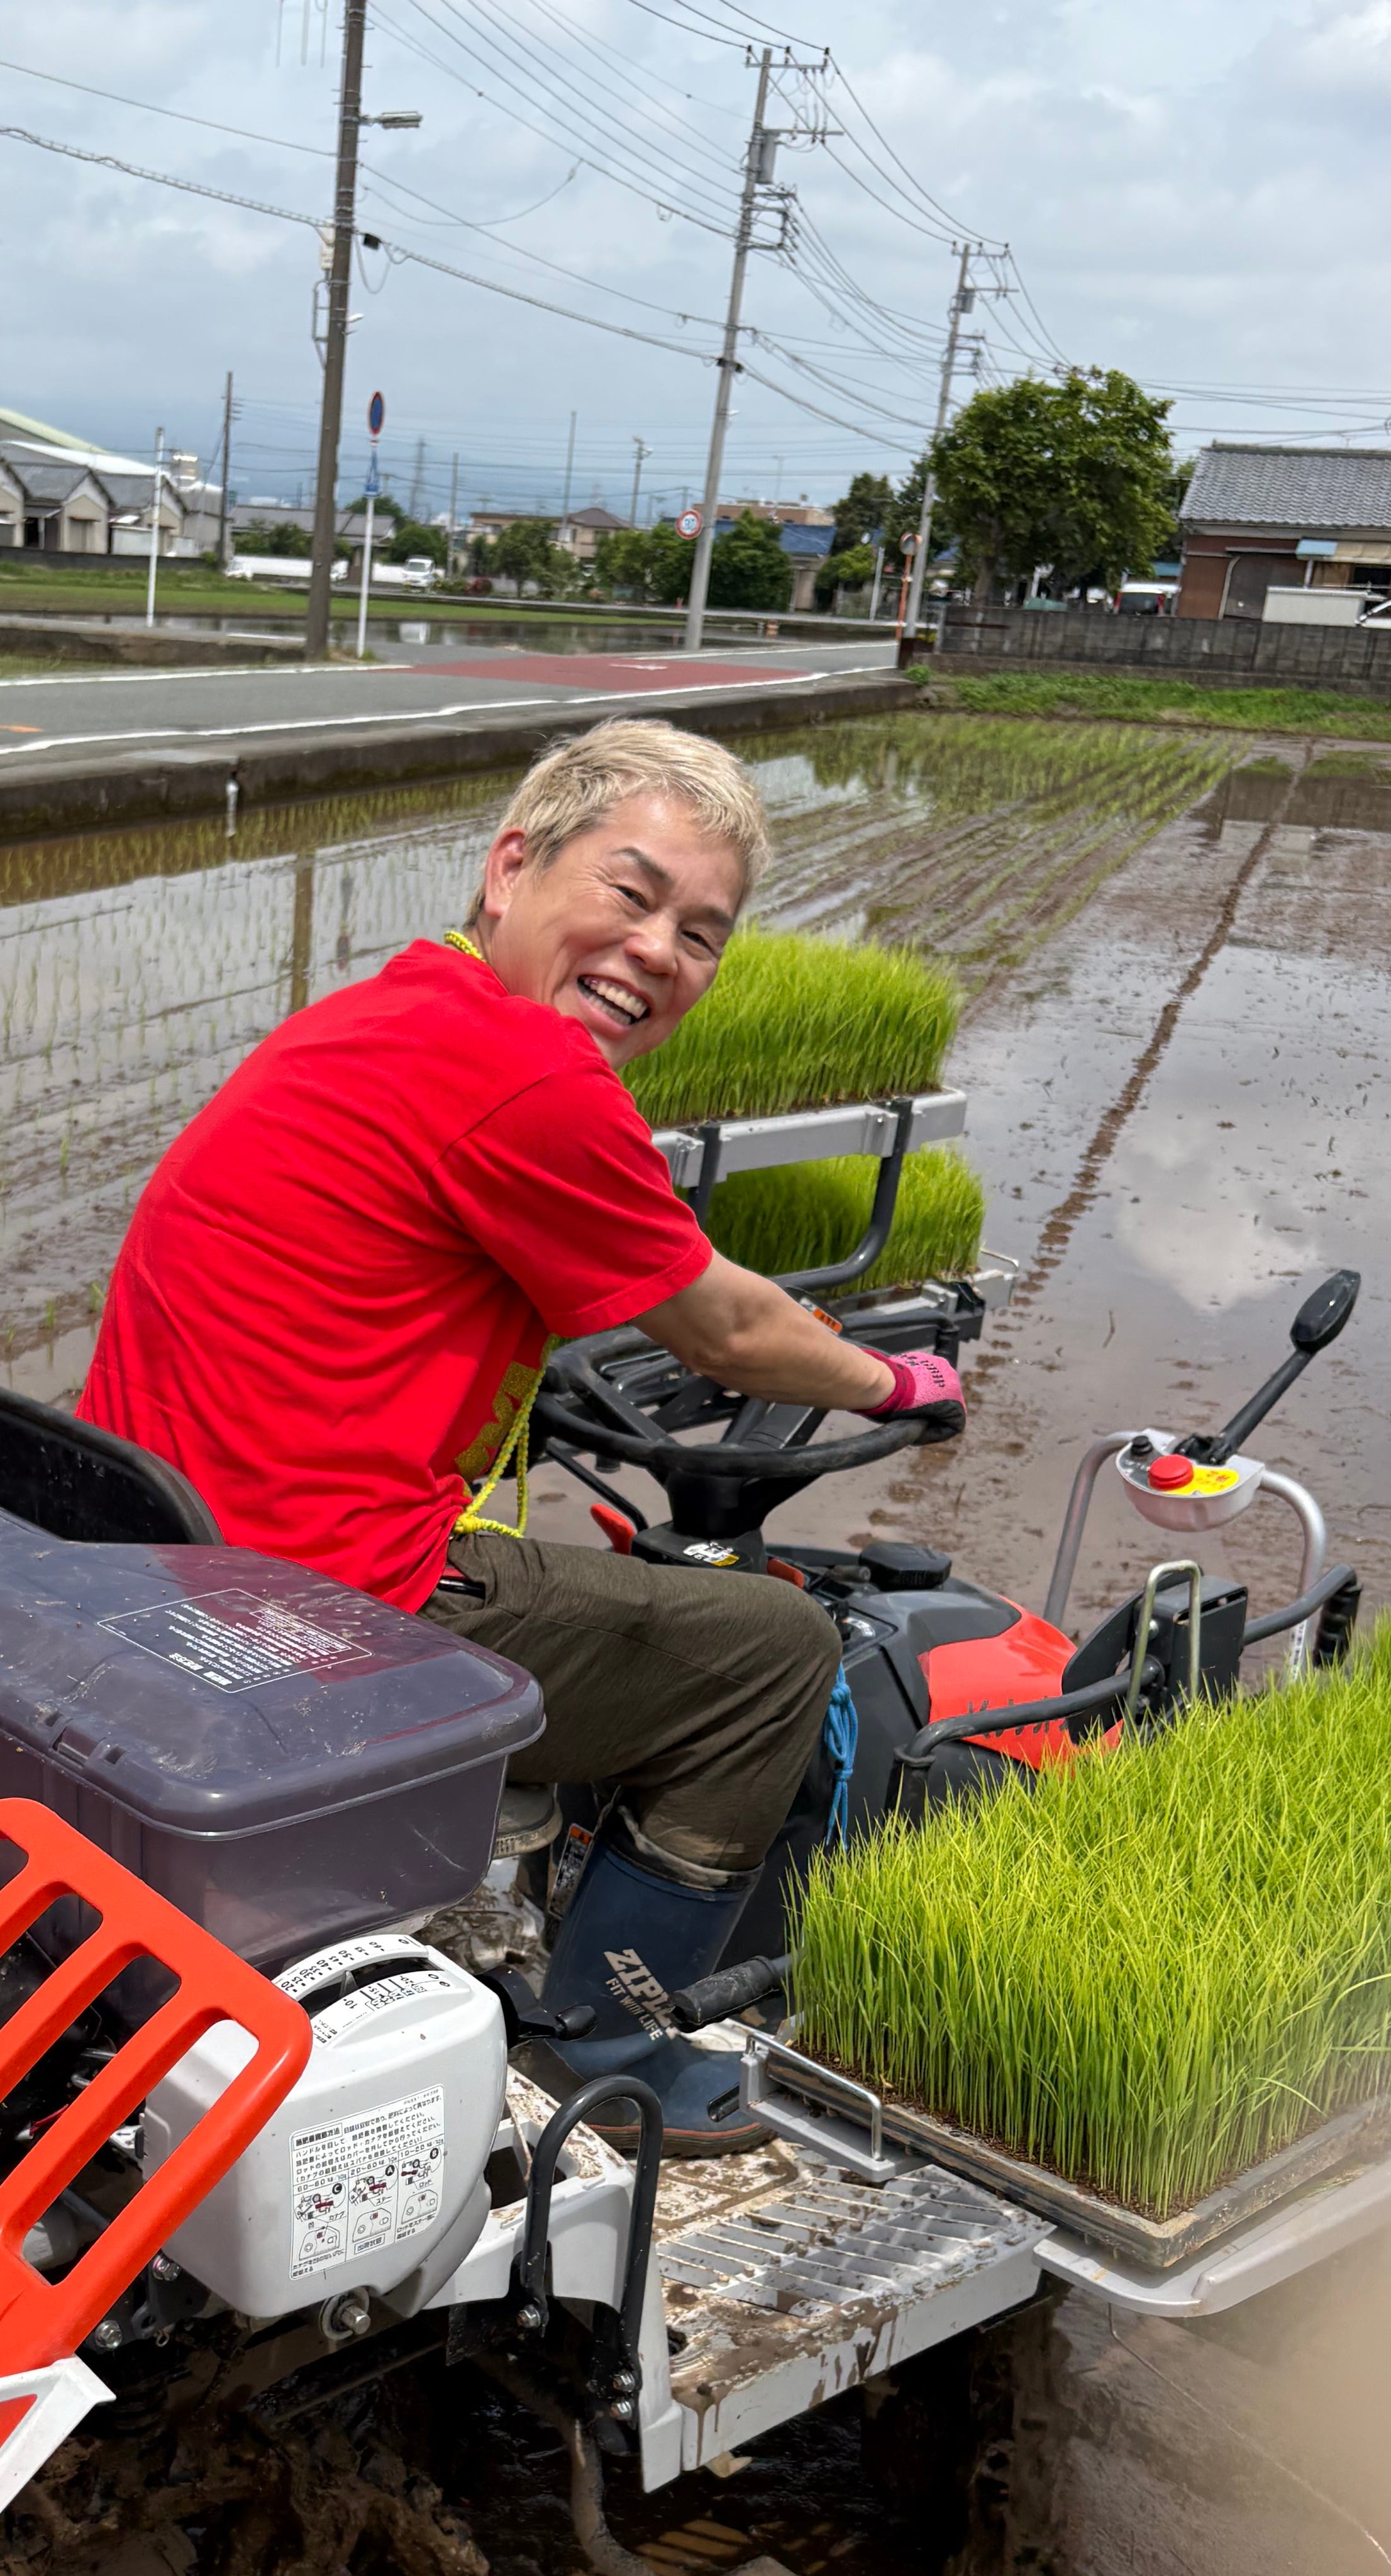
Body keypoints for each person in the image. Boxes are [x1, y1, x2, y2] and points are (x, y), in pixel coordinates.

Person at [78, 718, 961, 2153]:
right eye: (632, 892)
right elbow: (728, 1331)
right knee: (772, 1652)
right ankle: (603, 2038)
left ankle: (517, 1905)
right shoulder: (529, 1075)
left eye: (701, 933)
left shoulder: (385, 1013)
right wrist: (898, 1382)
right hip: (312, 1602)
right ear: (512, 869)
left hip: (162, 1560)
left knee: (589, 1592)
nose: (657, 951)